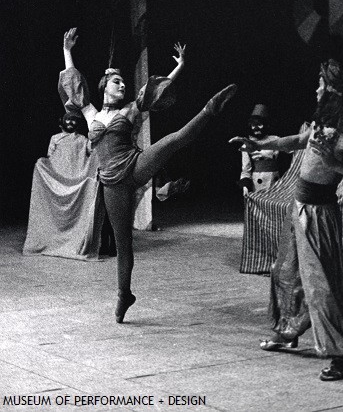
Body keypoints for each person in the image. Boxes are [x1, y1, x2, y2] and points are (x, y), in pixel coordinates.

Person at [60, 28, 237, 323]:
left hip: (135, 164)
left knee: (172, 140)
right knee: (123, 243)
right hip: (111, 182)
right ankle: (124, 294)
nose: (123, 85)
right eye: (117, 82)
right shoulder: (91, 114)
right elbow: (74, 86)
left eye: (124, 82)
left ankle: (210, 109)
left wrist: (179, 65)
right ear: (105, 85)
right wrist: (67, 51)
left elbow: (157, 90)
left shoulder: (131, 109)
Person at [230, 58, 343, 381]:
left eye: (320, 83)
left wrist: (336, 165)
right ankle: (288, 330)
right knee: (283, 272)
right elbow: (289, 142)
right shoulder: (316, 128)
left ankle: (342, 357)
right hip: (297, 209)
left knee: (321, 286)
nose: (316, 88)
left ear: (333, 91)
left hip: (319, 215)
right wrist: (256, 144)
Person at [23, 112, 104, 260]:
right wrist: (45, 167)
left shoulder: (82, 139)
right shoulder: (55, 138)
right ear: (61, 122)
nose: (71, 123)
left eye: (74, 120)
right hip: (57, 178)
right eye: (68, 119)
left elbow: (92, 154)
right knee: (40, 163)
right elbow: (50, 158)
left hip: (77, 178)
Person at [238, 104, 280, 197]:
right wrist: (245, 186)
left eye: (259, 124)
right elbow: (245, 169)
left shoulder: (275, 139)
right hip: (257, 184)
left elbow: (290, 151)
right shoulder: (247, 145)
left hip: (275, 182)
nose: (256, 128)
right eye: (253, 125)